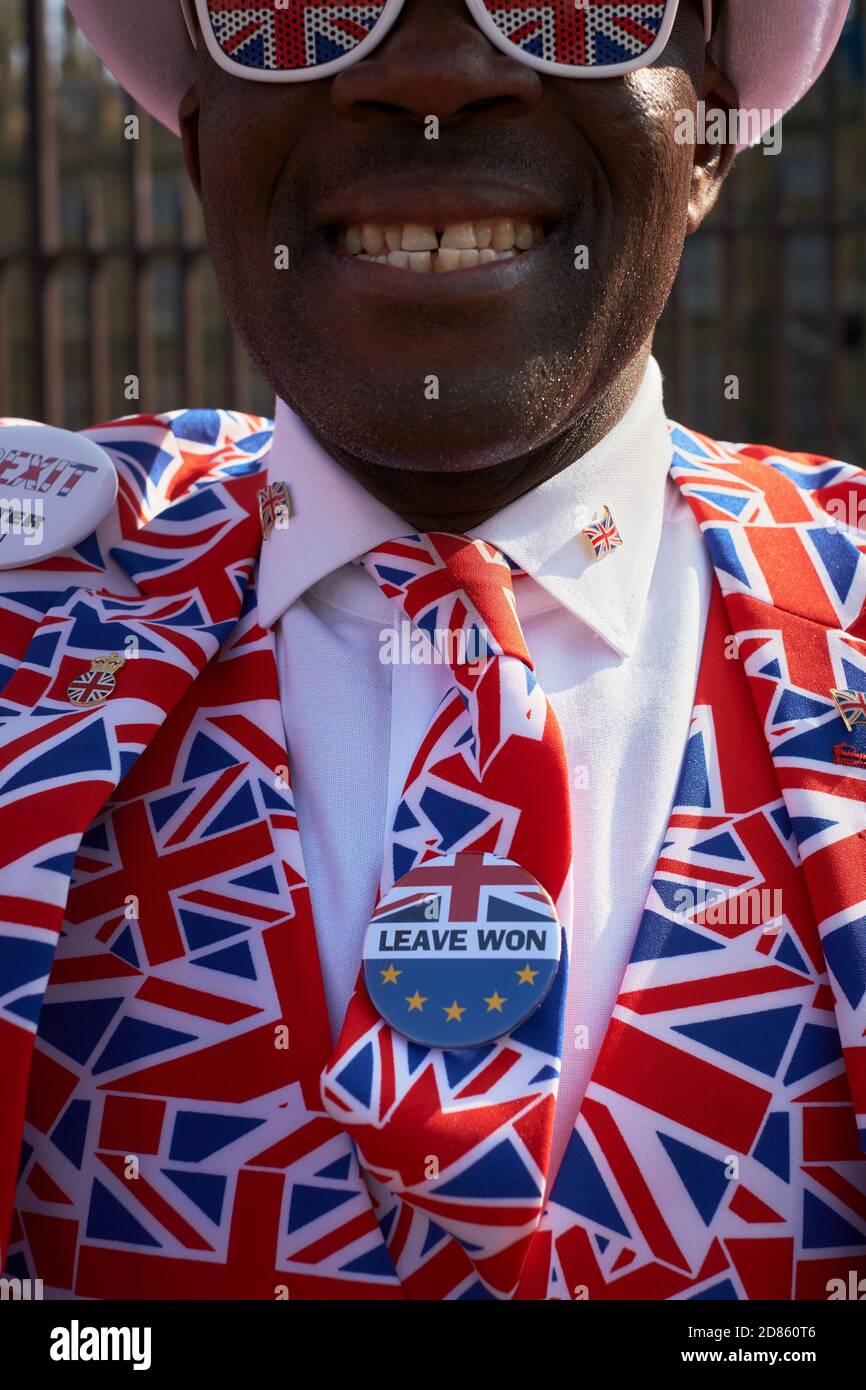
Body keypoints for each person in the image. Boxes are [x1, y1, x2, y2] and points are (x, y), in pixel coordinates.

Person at [0, 0, 863, 1303]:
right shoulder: (34, 624)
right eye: (293, 3)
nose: (432, 73)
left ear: (705, 136)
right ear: (197, 137)